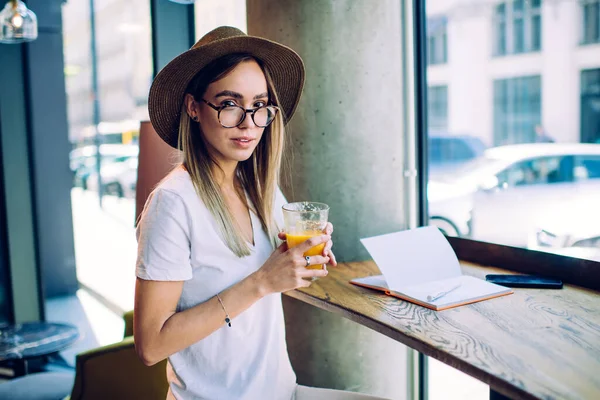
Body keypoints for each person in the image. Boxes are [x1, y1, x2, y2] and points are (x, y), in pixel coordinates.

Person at [134, 26, 388, 400]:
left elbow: (279, 281)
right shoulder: (173, 203)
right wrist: (262, 282)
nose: (248, 123)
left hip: (279, 391)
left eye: (259, 106)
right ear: (193, 106)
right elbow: (151, 346)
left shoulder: (260, 191)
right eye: (229, 104)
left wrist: (300, 262)